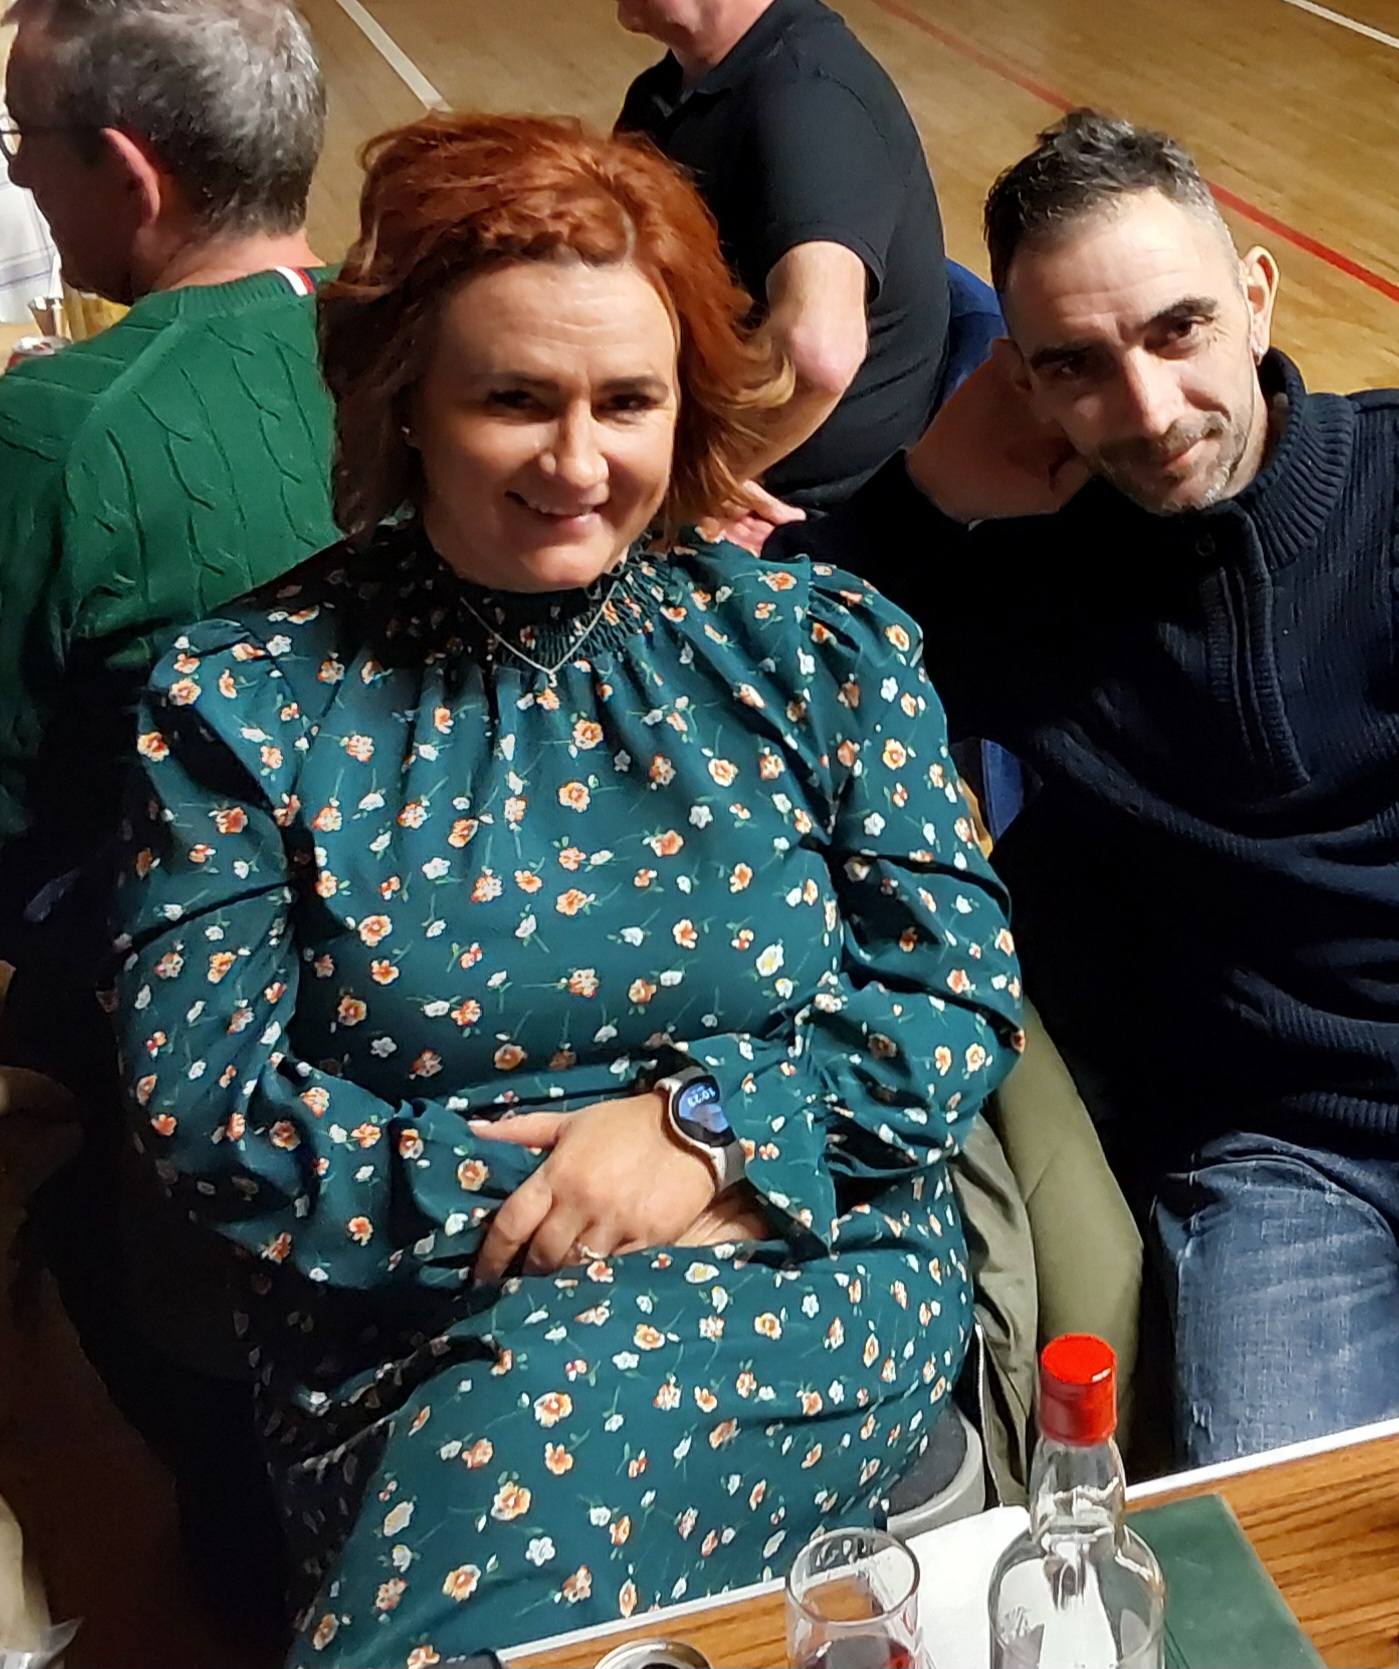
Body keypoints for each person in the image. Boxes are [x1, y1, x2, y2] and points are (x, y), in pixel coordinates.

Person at [108, 112, 1022, 1664]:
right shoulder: (245, 696)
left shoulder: (814, 649)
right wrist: (548, 1210)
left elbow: (954, 987)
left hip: (793, 1250)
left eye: (628, 402)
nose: (581, 463)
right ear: (407, 399)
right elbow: (206, 1105)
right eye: (516, 400)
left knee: (525, 1451)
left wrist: (707, 1133)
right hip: (402, 1305)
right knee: (508, 1434)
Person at [775, 110, 1399, 1466]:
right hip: (1279, 1159)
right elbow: (757, 682)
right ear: (1024, 386)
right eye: (1078, 366)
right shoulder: (1024, 592)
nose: (1150, 409)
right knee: (1291, 1559)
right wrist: (922, 492)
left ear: (1256, 298)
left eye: (1178, 330)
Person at [0, 0, 333, 1628]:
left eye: (23, 146)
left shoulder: (62, 430)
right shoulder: (452, 344)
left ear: (129, 173)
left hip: (191, 1045)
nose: (18, 179)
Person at [615, 0, 949, 511]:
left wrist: (690, 487)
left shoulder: (811, 100)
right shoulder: (666, 92)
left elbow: (816, 357)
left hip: (788, 510)